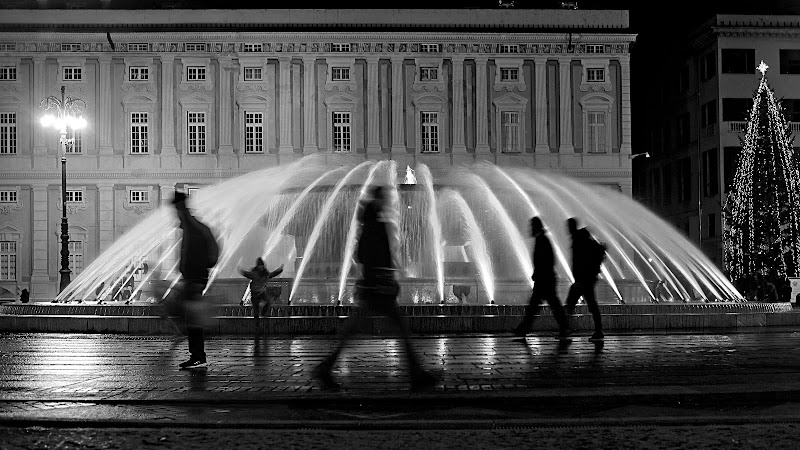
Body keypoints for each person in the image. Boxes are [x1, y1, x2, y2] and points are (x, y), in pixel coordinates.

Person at [311, 185, 438, 391]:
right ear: (380, 199)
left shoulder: (370, 221)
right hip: (377, 287)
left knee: (356, 329)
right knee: (398, 329)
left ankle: (325, 368)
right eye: (387, 197)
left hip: (374, 285)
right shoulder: (375, 223)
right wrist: (384, 276)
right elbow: (369, 254)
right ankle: (416, 374)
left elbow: (361, 255)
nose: (390, 201)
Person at [173, 189, 220, 370]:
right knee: (188, 315)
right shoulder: (194, 227)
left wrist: (180, 204)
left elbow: (205, 255)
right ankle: (197, 354)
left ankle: (198, 356)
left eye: (177, 211)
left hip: (195, 278)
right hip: (194, 277)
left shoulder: (193, 227)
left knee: (191, 318)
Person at [512, 217, 570, 339]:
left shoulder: (542, 240)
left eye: (531, 226)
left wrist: (538, 274)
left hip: (545, 281)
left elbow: (547, 261)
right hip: (544, 279)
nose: (530, 229)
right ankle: (523, 329)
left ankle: (565, 328)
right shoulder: (542, 239)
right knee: (540, 306)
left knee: (545, 306)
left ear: (536, 227)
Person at [564, 217, 605, 341]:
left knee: (571, 304)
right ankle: (598, 331)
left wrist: (580, 279)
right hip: (586, 280)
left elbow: (581, 262)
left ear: (572, 227)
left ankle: (565, 329)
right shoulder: (581, 238)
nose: (567, 229)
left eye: (568, 227)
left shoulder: (579, 240)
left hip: (583, 280)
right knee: (591, 305)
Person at [239, 258, 284, 331]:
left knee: (268, 302)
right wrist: (242, 271)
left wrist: (280, 270)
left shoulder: (265, 274)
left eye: (262, 266)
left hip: (262, 293)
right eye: (260, 266)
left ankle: (263, 313)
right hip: (254, 294)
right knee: (256, 311)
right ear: (258, 266)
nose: (261, 267)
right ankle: (257, 328)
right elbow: (247, 274)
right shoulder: (254, 273)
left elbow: (272, 274)